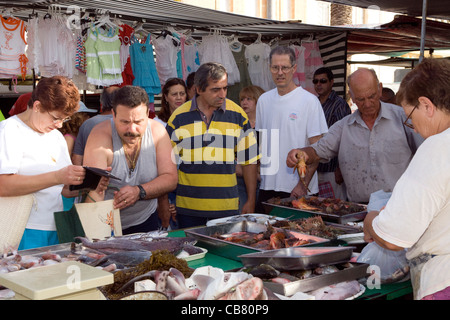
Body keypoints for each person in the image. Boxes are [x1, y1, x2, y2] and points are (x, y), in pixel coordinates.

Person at [363, 58, 450, 300]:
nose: (412, 126)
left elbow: (393, 237)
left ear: (427, 105)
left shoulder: (437, 148)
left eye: (410, 116)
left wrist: (372, 220)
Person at [286, 68, 423, 204]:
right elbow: (318, 150)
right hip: (358, 209)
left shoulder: (403, 118)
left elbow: (427, 155)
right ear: (352, 97)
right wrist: (301, 153)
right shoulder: (343, 127)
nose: (368, 104)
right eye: (361, 99)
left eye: (372, 96)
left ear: (380, 89)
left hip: (399, 206)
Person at [0, 76, 90, 250]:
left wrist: (86, 183)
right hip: (21, 228)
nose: (58, 125)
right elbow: (3, 184)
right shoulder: (9, 131)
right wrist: (57, 176)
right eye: (55, 118)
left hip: (55, 226)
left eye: (64, 120)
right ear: (37, 106)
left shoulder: (55, 136)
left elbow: (61, 189)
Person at [166, 62, 260, 228]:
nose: (222, 94)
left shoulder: (238, 115)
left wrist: (251, 200)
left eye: (224, 88)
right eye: (215, 89)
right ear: (199, 89)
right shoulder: (178, 118)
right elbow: (165, 165)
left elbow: (249, 161)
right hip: (188, 209)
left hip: (227, 209)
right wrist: (165, 203)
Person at [83, 85, 178, 234]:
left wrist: (138, 191)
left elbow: (171, 178)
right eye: (125, 122)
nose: (132, 130)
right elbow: (95, 191)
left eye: (138, 122)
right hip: (107, 222)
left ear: (148, 114)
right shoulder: (99, 136)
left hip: (145, 218)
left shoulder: (158, 132)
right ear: (113, 115)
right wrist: (94, 235)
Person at [255, 46, 328, 211]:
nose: (280, 72)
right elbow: (261, 144)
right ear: (269, 68)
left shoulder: (309, 101)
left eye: (285, 67)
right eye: (275, 67)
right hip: (268, 188)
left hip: (299, 190)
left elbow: (318, 150)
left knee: (300, 236)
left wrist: (303, 186)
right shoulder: (263, 101)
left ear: (294, 68)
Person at [154, 77, 188, 229]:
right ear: (166, 97)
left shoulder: (193, 120)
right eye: (175, 94)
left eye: (182, 93)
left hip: (188, 182)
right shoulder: (157, 124)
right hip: (168, 183)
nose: (179, 97)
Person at [313, 67, 351, 200]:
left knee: (334, 207)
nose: (318, 84)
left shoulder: (339, 104)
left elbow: (345, 137)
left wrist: (340, 169)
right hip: (314, 167)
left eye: (322, 81)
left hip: (332, 169)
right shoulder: (314, 103)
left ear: (331, 82)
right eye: (315, 81)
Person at [58, 101, 98, 210]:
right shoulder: (69, 137)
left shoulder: (73, 136)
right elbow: (62, 162)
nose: (88, 117)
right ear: (77, 118)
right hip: (68, 186)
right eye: (85, 115)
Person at [72, 86, 120, 166]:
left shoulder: (88, 123)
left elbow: (77, 158)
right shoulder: (127, 122)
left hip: (95, 174)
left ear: (102, 101)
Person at [237, 85, 264, 213]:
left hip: (264, 180)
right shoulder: (237, 125)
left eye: (249, 99)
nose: (244, 102)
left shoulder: (265, 124)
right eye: (242, 99)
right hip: (241, 180)